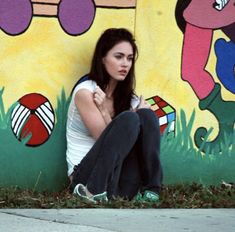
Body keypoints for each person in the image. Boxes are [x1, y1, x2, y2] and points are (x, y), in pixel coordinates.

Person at [66, 28, 163, 203]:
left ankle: (152, 189)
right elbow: (105, 140)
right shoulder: (86, 92)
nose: (125, 64)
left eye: (129, 58)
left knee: (146, 116)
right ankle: (91, 192)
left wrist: (140, 114)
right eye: (118, 57)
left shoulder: (128, 98)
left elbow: (126, 142)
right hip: (85, 178)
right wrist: (104, 111)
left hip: (116, 179)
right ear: (103, 58)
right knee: (130, 119)